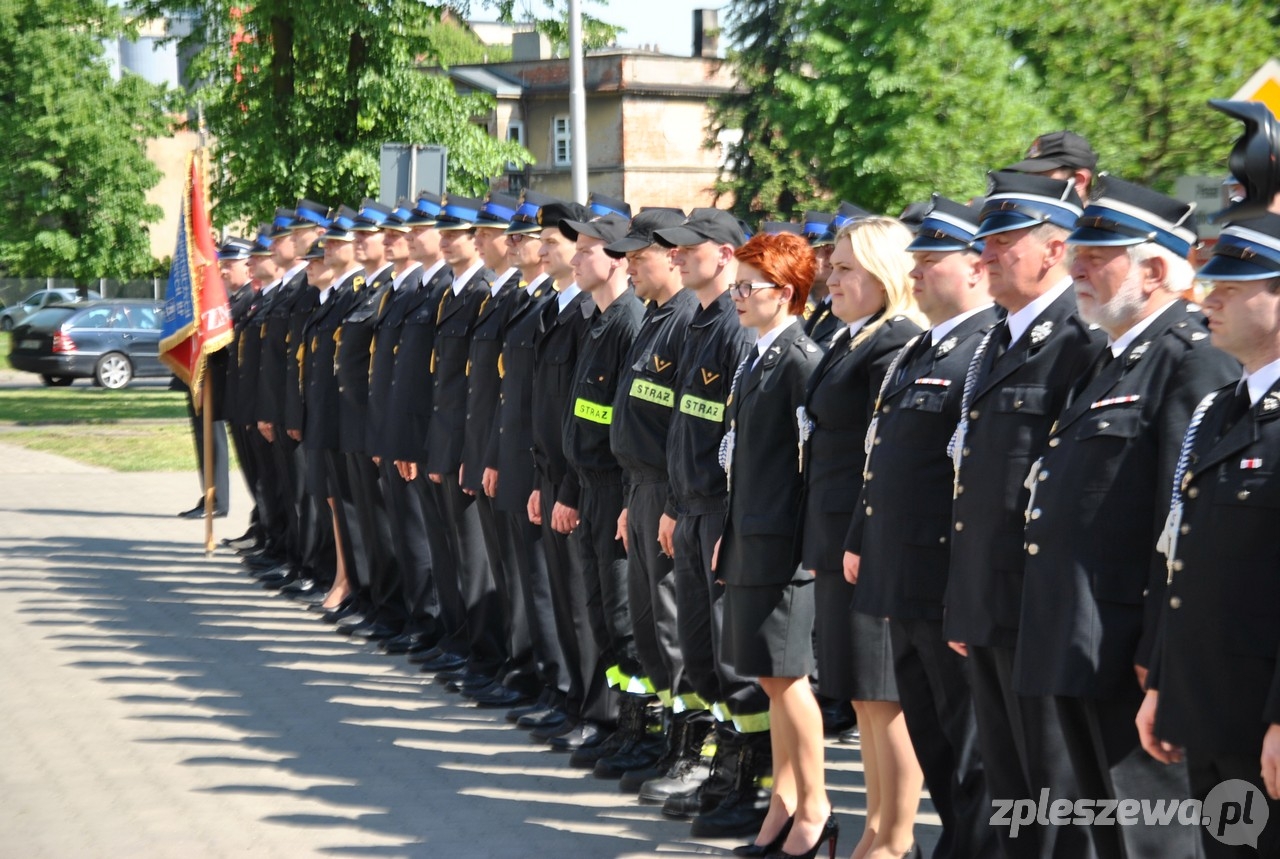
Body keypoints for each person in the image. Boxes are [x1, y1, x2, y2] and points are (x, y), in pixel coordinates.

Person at [1016, 176, 1235, 859]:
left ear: (1156, 270)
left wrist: (1158, 654)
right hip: (1079, 636)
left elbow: (1183, 524)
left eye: (1097, 256)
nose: (1077, 269)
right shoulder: (1111, 359)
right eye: (1077, 253)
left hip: (1127, 648)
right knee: (1107, 834)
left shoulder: (1190, 359)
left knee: (1152, 838)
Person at [944, 171, 1103, 858]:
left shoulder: (1082, 340)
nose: (984, 255)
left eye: (1003, 242)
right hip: (988, 598)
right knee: (1010, 787)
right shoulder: (999, 339)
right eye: (984, 242)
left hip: (1038, 607)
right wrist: (963, 597)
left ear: (1054, 249)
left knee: (1053, 797)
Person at [848, 196, 1002, 859]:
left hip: (944, 580)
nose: (915, 271)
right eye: (915, 258)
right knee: (934, 738)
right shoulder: (920, 348)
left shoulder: (987, 349)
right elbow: (882, 454)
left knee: (971, 748)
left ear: (975, 266)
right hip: (902, 576)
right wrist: (860, 537)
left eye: (932, 258)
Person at [1137, 214, 1280, 859]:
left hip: (1262, 714)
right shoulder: (1220, 408)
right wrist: (1164, 686)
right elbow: (1184, 557)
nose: (1207, 299)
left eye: (1231, 288)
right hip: (1208, 702)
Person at [800, 216, 923, 859]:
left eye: (846, 268)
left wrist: (864, 537)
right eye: (835, 265)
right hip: (833, 534)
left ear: (885, 274)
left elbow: (886, 454)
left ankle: (896, 840)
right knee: (863, 695)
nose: (831, 277)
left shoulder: (894, 342)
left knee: (885, 695)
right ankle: (875, 828)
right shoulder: (853, 337)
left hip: (864, 537)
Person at [645, 210, 770, 838]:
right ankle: (719, 764)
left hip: (719, 512)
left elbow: (740, 440)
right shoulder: (697, 323)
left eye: (688, 247)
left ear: (724, 254)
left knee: (734, 659)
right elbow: (686, 426)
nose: (677, 256)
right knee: (701, 654)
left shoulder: (734, 329)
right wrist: (674, 503)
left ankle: (751, 779)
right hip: (690, 507)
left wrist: (723, 517)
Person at [717, 231, 832, 859]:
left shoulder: (800, 360)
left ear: (784, 293)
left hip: (783, 546)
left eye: (747, 287)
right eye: (735, 285)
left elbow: (810, 466)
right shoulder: (760, 354)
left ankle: (815, 809)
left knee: (789, 680)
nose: (736, 296)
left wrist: (798, 549)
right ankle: (784, 804)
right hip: (753, 534)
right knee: (770, 678)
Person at [600, 206, 698, 783]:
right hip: (639, 488)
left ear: (673, 255)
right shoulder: (656, 317)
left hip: (666, 490)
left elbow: (684, 428)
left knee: (673, 627)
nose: (630, 267)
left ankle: (690, 748)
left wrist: (670, 503)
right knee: (645, 624)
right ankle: (660, 735)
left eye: (640, 257)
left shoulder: (685, 321)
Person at [1005, 130, 1098, 202]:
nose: (1028, 184)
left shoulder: (1098, 221)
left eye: (1040, 178)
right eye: (1026, 176)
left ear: (1079, 181)